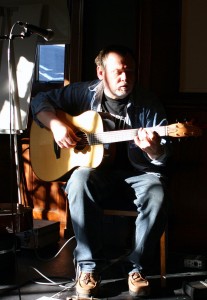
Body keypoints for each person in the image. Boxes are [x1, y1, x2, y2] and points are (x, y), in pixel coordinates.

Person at [31, 45, 171, 298]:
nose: (125, 78)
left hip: (138, 175)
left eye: (130, 71)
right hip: (98, 175)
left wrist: (153, 149)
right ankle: (88, 268)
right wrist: (56, 125)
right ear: (100, 72)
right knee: (78, 180)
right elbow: (40, 100)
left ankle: (136, 268)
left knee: (157, 192)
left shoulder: (148, 103)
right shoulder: (82, 93)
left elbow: (163, 157)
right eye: (118, 72)